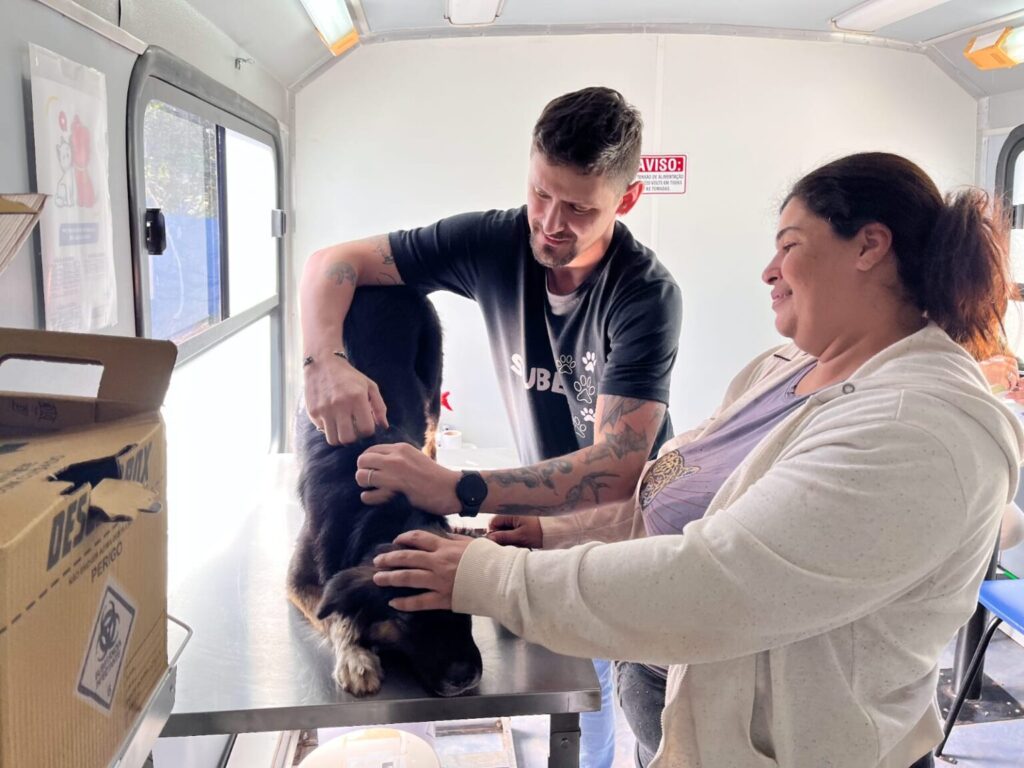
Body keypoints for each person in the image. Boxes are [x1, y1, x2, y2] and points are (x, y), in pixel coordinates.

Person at [370, 152, 1024, 768]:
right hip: (686, 715)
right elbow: (676, 493)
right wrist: (557, 533)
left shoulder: (918, 429)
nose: (769, 272)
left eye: (790, 245)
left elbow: (717, 585)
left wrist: (490, 576)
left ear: (869, 246)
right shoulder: (784, 368)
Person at [299, 86, 683, 767]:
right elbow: (333, 263)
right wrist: (324, 362)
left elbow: (618, 468)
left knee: (639, 694)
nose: (551, 224)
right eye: (541, 194)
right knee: (569, 684)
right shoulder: (496, 240)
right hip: (540, 524)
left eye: (579, 208)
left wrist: (461, 489)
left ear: (626, 200)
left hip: (632, 524)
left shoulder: (644, 295)